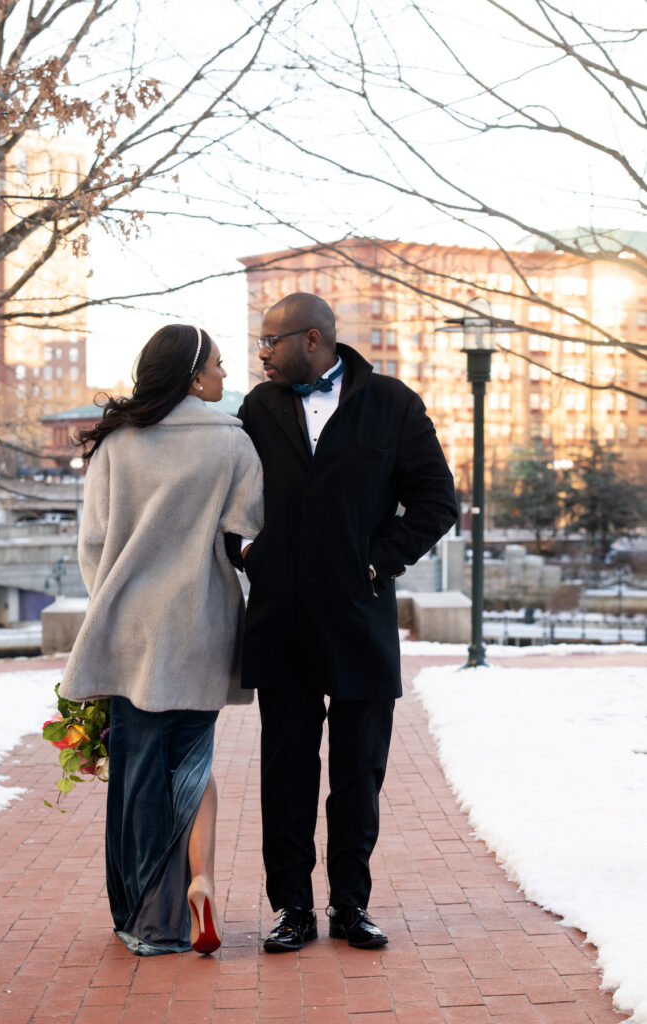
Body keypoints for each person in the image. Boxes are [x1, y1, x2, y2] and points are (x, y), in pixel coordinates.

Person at [234, 292, 457, 953]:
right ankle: (292, 909)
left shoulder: (392, 404)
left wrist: (375, 561)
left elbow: (435, 501)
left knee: (358, 772)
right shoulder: (255, 409)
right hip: (280, 617)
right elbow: (225, 499)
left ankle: (350, 905)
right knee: (286, 769)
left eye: (270, 341)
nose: (263, 354)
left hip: (359, 619)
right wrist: (242, 553)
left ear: (311, 338)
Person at [60, 324, 263, 957]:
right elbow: (247, 532)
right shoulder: (232, 441)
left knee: (138, 776)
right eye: (219, 368)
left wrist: (115, 598)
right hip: (200, 625)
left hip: (131, 630)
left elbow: (93, 546)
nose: (226, 379)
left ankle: (151, 922)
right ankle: (199, 881)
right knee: (194, 761)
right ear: (193, 374)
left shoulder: (118, 442)